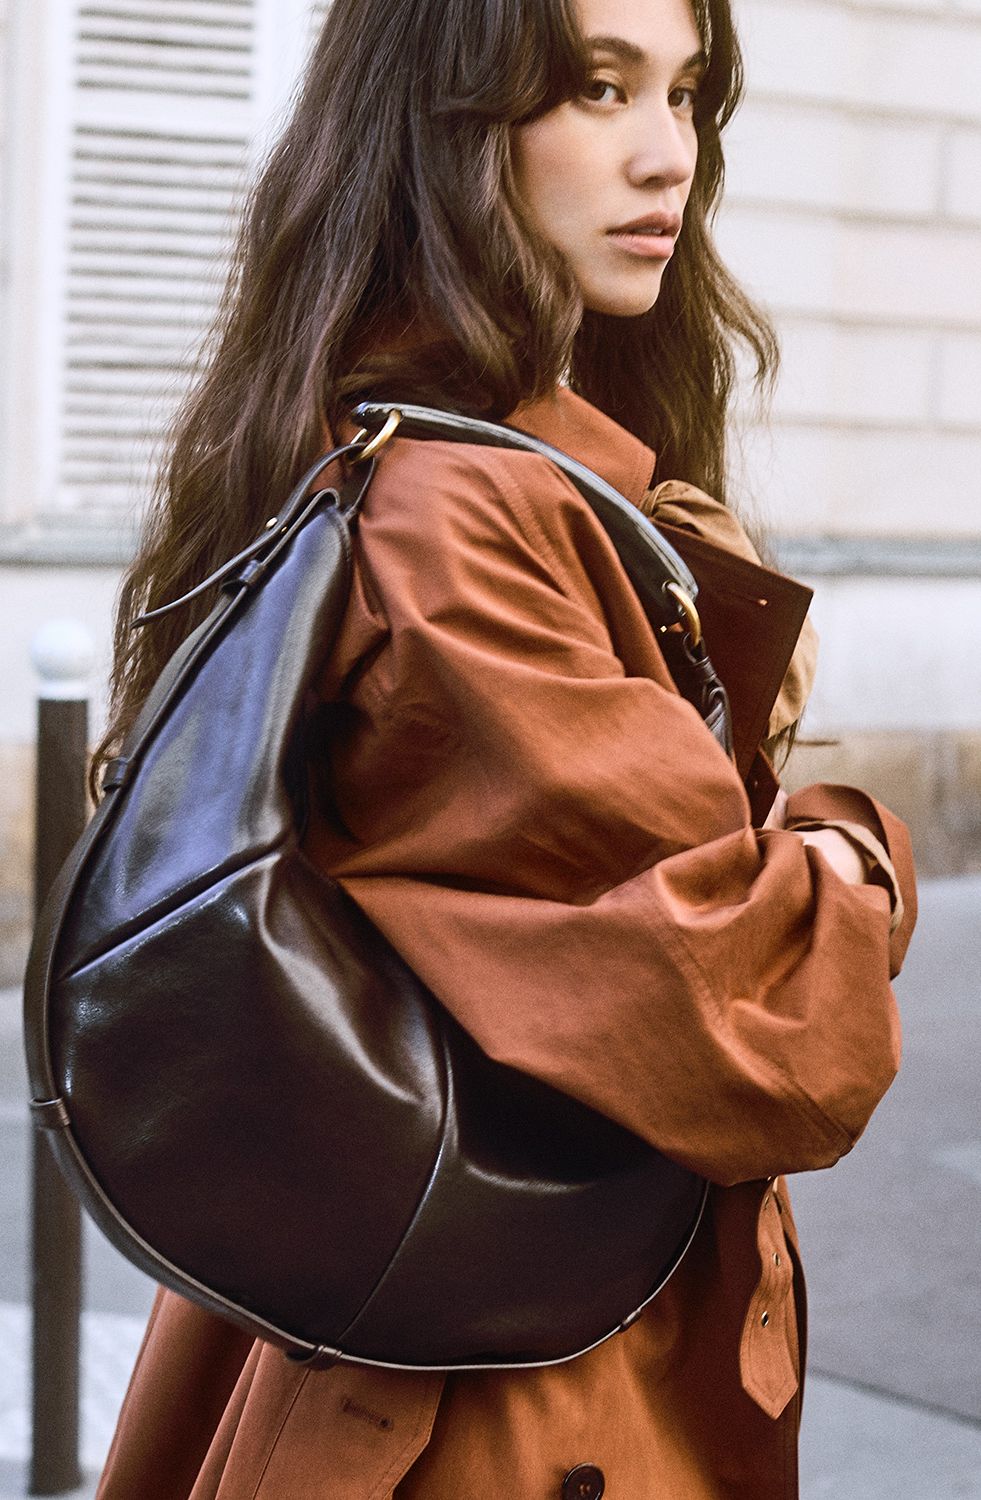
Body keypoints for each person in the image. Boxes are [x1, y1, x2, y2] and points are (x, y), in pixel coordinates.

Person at [91, 0, 915, 1494]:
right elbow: (761, 1016)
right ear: (449, 127)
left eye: (688, 96)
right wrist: (861, 855)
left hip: (458, 1308)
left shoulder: (419, 458)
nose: (666, 156)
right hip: (508, 1393)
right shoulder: (455, 515)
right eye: (598, 90)